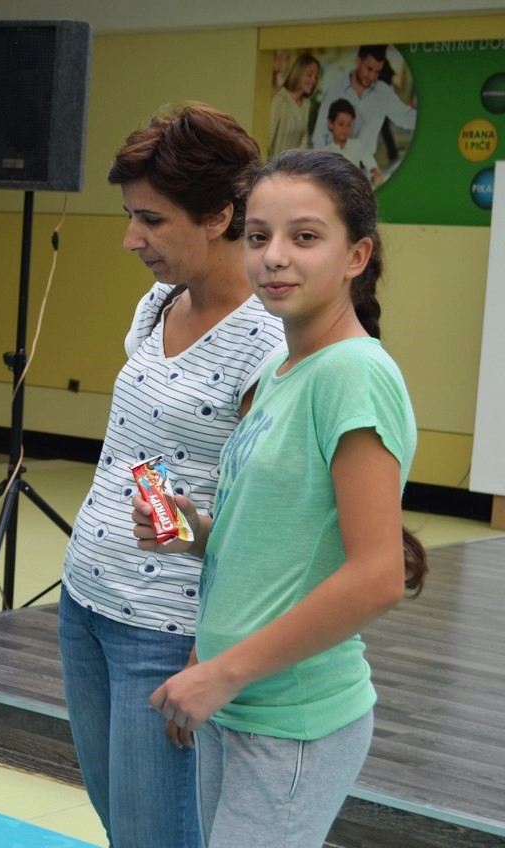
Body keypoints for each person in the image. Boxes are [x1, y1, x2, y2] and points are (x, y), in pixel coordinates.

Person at [139, 148, 427, 847]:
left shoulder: (353, 374)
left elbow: (378, 576)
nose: (273, 256)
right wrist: (195, 532)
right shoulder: (279, 369)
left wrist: (223, 673)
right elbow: (275, 542)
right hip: (236, 703)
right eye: (258, 236)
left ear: (356, 256)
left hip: (290, 719)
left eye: (304, 237)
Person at [56, 103, 286, 848]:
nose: (132, 239)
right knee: (120, 824)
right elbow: (146, 451)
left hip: (165, 635)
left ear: (219, 216)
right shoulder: (159, 302)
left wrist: (208, 650)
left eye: (151, 220)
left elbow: (264, 525)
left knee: (155, 836)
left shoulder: (268, 343)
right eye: (131, 216)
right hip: (85, 603)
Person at [310, 45, 416, 157]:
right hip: (336, 161)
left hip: (365, 163)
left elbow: (406, 117)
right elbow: (320, 133)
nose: (372, 77)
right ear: (358, 62)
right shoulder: (336, 88)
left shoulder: (383, 92)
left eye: (377, 72)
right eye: (369, 69)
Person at [268, 53, 320, 156]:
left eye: (316, 77)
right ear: (299, 73)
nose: (313, 80)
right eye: (309, 75)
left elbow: (304, 143)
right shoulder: (280, 100)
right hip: (274, 163)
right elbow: (268, 139)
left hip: (294, 164)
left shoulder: (306, 105)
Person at [322, 99, 384, 186]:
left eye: (348, 125)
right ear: (330, 124)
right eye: (341, 124)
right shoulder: (325, 153)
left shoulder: (356, 145)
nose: (345, 129)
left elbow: (370, 163)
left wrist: (375, 172)